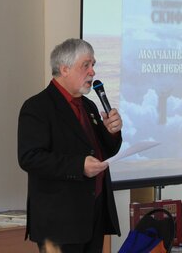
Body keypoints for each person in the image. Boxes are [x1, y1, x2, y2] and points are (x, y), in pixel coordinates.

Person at [18, 38, 123, 253]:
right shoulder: (37, 107)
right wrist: (79, 166)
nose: (93, 72)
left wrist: (111, 133)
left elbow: (102, 152)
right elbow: (30, 157)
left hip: (92, 216)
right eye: (86, 65)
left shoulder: (89, 106)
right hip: (59, 223)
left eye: (93, 65)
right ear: (64, 69)